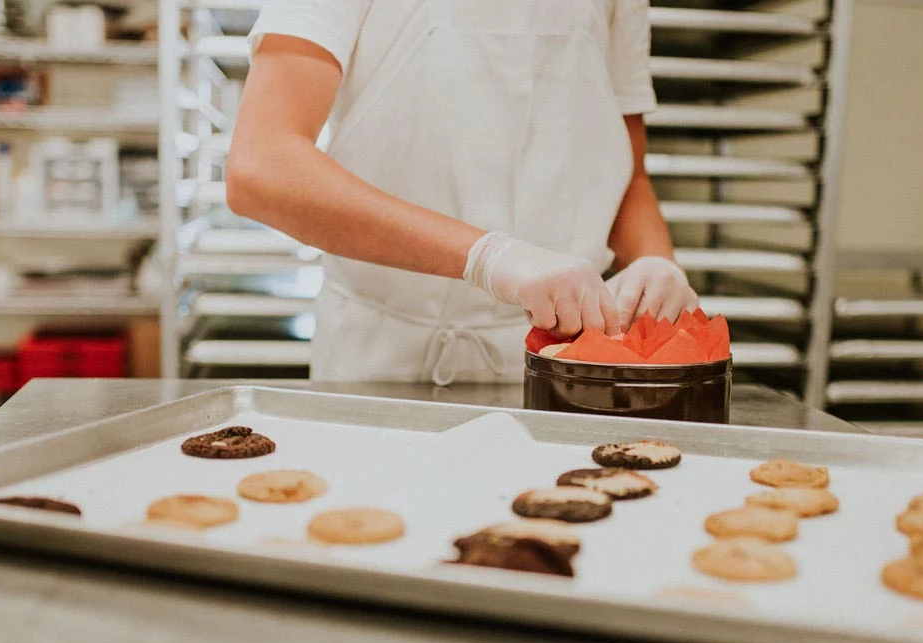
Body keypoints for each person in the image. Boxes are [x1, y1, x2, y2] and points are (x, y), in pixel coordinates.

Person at [227, 0, 700, 385]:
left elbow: (626, 175)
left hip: (565, 358)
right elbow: (261, 165)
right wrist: (488, 256)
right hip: (381, 357)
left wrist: (656, 263)